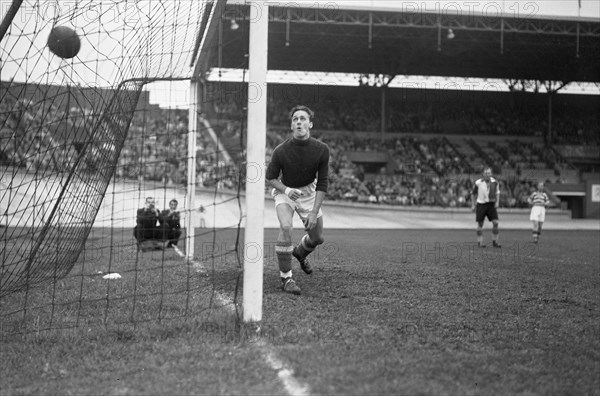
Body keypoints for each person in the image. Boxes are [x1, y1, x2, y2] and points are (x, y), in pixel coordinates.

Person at [265, 105, 330, 295]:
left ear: (310, 123)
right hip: (285, 191)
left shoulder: (322, 150)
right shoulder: (280, 150)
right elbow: (270, 178)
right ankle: (286, 277)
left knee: (318, 238)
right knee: (286, 227)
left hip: (309, 193)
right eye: (295, 119)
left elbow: (323, 182)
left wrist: (312, 211)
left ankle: (300, 252)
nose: (299, 121)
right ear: (291, 125)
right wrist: (286, 189)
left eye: (302, 118)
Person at [471, 167, 501, 248]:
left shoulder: (495, 182)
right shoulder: (478, 182)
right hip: (481, 204)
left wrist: (497, 202)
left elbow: (497, 193)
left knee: (496, 223)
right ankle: (480, 242)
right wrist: (473, 205)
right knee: (480, 224)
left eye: (489, 173)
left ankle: (495, 242)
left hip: (491, 204)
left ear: (491, 174)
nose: (487, 175)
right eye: (485, 173)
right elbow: (473, 194)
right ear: (483, 174)